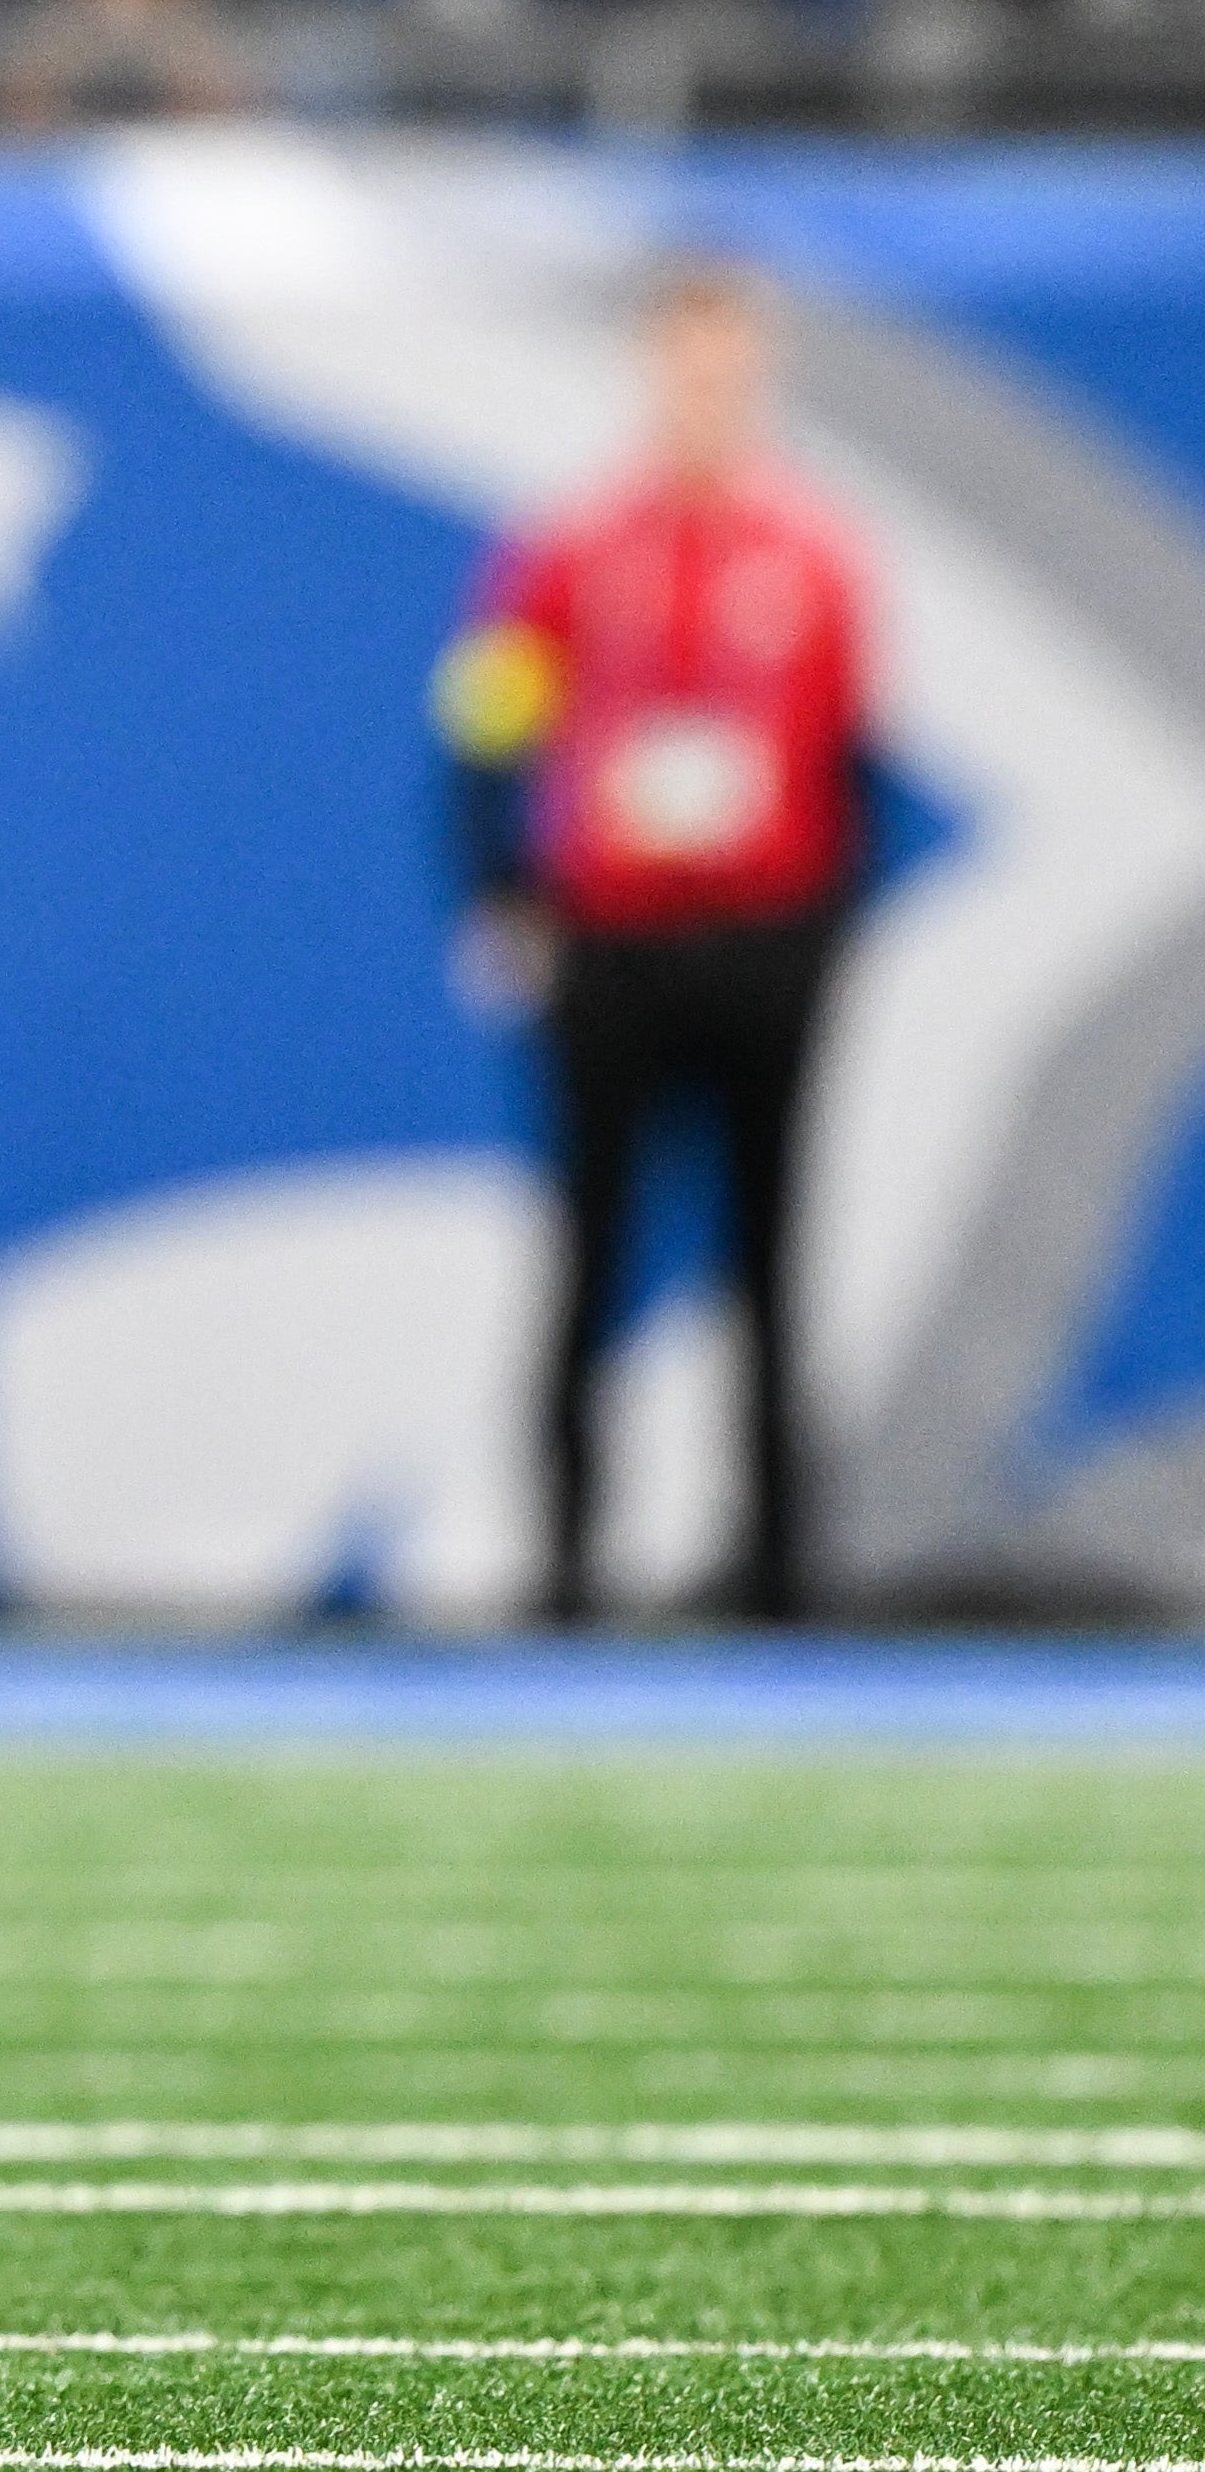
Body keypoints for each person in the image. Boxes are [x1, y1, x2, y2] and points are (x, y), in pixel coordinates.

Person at [435, 259, 878, 1626]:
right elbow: (481, 730)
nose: (708, 396)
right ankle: (566, 1562)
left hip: (757, 942)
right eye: (688, 369)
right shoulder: (571, 551)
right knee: (589, 1250)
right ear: (650, 374)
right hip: (615, 945)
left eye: (731, 371)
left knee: (769, 1260)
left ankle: (778, 1570)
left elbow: (857, 762)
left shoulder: (810, 558)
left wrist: (817, 932)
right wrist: (502, 895)